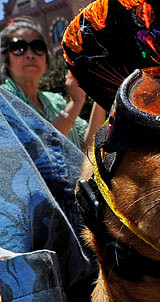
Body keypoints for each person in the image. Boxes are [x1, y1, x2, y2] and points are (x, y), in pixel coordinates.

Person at [0, 87, 97, 301]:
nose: (30, 55)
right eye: (19, 50)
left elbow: (86, 148)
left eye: (39, 50)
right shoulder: (10, 98)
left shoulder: (53, 100)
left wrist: (94, 99)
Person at [0, 17, 104, 150]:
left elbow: (88, 149)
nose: (30, 54)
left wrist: (100, 92)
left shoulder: (56, 101)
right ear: (5, 59)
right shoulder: (4, 102)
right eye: (19, 47)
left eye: (37, 47)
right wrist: (75, 104)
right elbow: (37, 150)